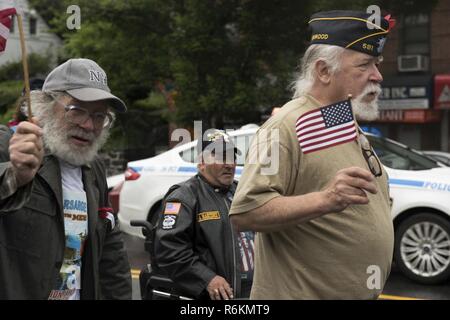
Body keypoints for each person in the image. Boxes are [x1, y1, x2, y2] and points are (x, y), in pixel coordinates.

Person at [229, 10, 396, 299]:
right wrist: (326, 199)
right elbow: (245, 212)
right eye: (365, 64)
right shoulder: (284, 126)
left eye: (377, 64)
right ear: (323, 71)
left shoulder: (342, 120)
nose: (377, 76)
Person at [0, 58, 132, 300]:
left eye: (99, 116)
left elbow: (111, 256)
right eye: (76, 110)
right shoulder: (10, 147)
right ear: (45, 106)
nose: (88, 124)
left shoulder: (95, 169)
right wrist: (14, 177)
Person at [154, 130, 254, 300]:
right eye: (221, 157)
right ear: (201, 162)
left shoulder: (242, 192)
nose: (229, 164)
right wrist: (207, 278)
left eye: (232, 157)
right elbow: (169, 250)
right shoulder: (184, 197)